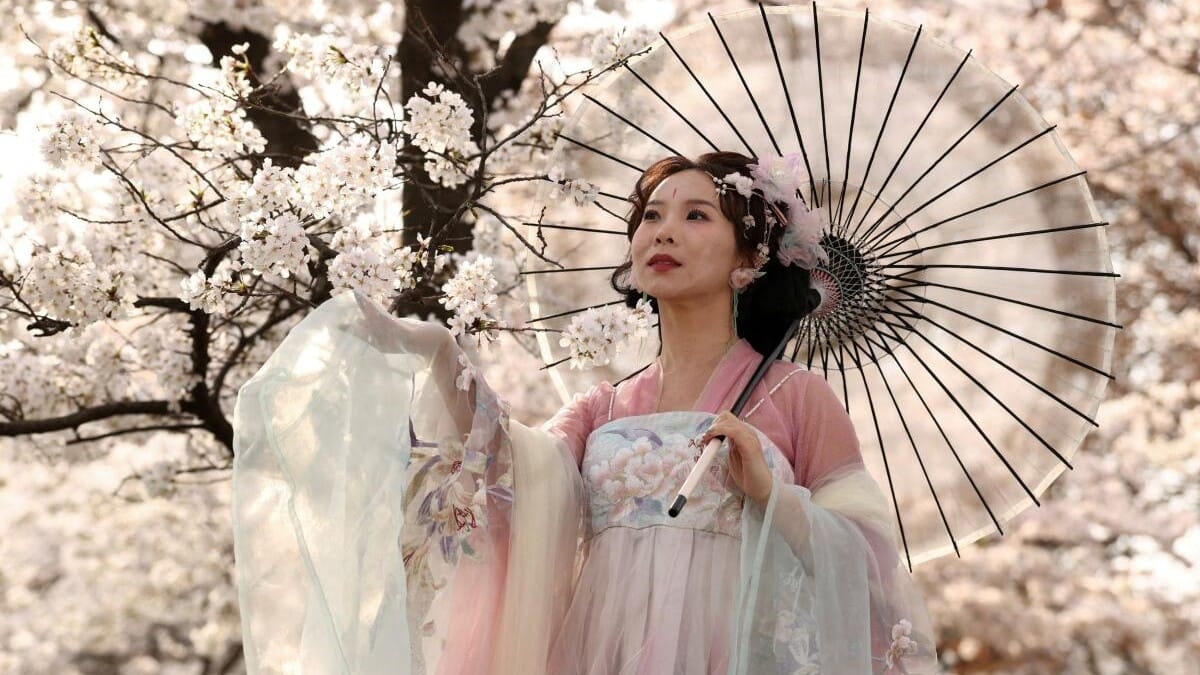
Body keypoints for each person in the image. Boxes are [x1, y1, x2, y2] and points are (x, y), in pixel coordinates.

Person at [231, 151, 941, 674]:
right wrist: (438, 351)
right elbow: (509, 470)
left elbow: (871, 559)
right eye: (651, 216)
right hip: (605, 653)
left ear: (749, 258)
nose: (663, 232)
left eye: (696, 216)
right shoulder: (604, 406)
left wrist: (771, 494)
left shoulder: (795, 397)